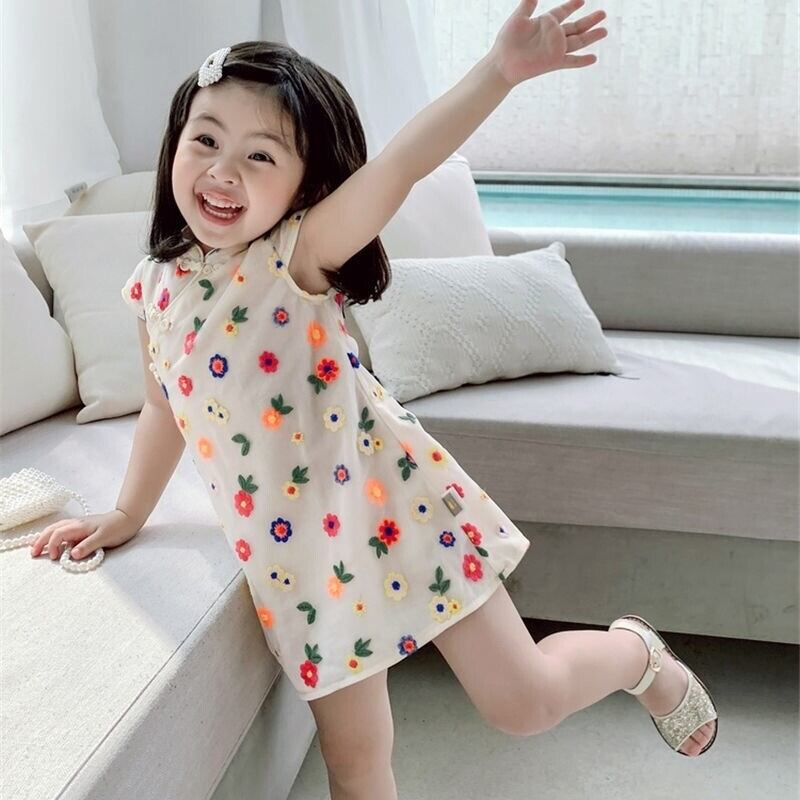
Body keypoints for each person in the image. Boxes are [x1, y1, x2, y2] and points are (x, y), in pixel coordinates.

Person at [30, 1, 717, 797]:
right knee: (356, 765)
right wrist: (128, 512)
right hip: (299, 558)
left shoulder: (296, 256)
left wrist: (497, 73)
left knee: (523, 703)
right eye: (205, 140)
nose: (221, 171)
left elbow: (399, 166)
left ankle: (636, 654)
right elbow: (162, 409)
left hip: (397, 505)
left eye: (260, 155)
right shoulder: (153, 285)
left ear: (305, 185)